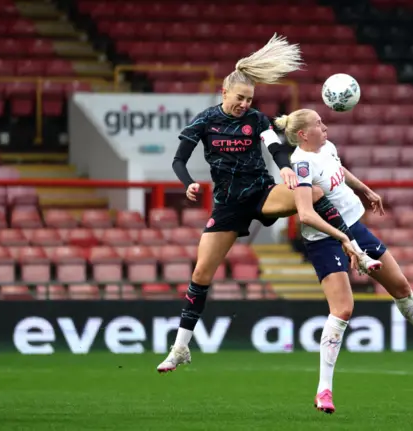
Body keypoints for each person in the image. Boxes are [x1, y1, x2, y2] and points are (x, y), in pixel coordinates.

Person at [156, 34, 381, 373]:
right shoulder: (205, 121)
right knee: (201, 273)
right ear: (224, 92)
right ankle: (180, 348)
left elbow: (275, 148)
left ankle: (355, 251)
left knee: (314, 194)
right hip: (228, 205)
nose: (244, 104)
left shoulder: (257, 120)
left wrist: (288, 169)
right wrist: (187, 184)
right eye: (239, 98)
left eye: (249, 99)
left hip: (262, 192)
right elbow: (178, 161)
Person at [275, 109, 413, 414]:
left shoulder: (326, 148)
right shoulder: (301, 164)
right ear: (302, 134)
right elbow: (305, 214)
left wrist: (365, 189)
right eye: (318, 124)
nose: (325, 126)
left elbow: (339, 171)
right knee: (342, 309)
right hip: (324, 238)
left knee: (401, 286)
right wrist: (342, 239)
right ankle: (324, 390)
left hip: (355, 226)